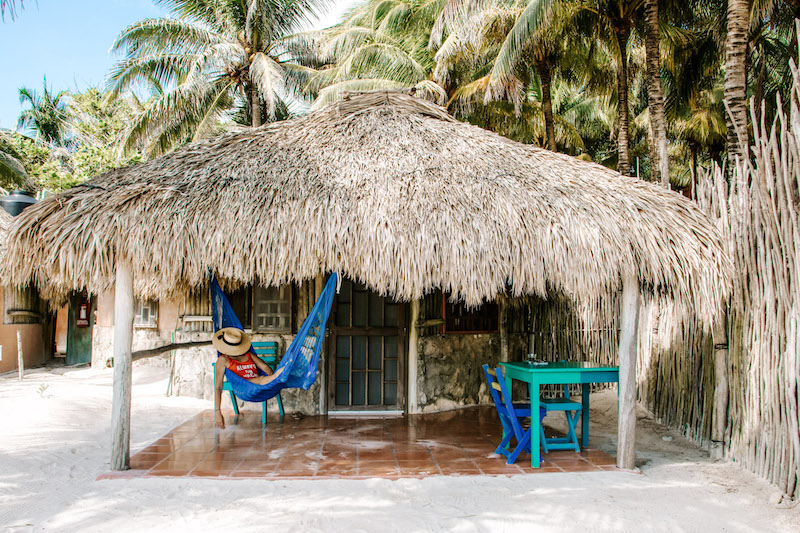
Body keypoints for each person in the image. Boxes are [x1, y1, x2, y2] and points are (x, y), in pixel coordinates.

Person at [212, 327, 283, 429]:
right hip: (243, 387)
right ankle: (276, 377)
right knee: (261, 379)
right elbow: (218, 387)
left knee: (262, 379)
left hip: (259, 384)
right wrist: (218, 412)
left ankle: (274, 378)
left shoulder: (248, 355)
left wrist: (271, 380)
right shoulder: (223, 360)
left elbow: (264, 367)